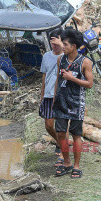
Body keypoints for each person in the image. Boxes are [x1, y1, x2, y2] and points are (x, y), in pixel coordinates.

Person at [53, 28, 93, 179]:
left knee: (76, 134)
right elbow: (58, 80)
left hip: (77, 103)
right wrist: (54, 99)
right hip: (61, 102)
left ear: (74, 46)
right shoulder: (60, 60)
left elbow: (89, 84)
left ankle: (76, 166)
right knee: (61, 133)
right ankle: (67, 162)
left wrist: (72, 78)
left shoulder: (85, 62)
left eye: (65, 44)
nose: (62, 46)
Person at [39, 28, 65, 167]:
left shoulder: (67, 56)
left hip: (62, 96)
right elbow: (44, 75)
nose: (54, 46)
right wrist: (42, 93)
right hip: (48, 95)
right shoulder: (47, 56)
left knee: (62, 127)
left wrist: (62, 46)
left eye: (57, 43)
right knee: (49, 126)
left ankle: (63, 154)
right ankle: (61, 144)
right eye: (52, 43)